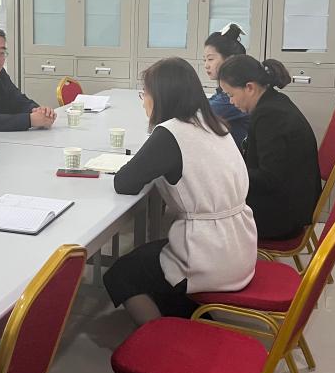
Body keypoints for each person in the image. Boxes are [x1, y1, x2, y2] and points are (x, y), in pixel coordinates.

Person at [104, 58, 257, 327]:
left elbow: (125, 183)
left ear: (161, 97)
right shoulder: (214, 123)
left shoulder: (170, 133)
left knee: (121, 273)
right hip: (240, 244)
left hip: (210, 255)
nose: (143, 102)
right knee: (151, 258)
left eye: (145, 94)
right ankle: (190, 317)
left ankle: (161, 337)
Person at [218, 55, 321, 241]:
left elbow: (269, 178)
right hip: (290, 200)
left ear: (250, 87)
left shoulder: (270, 116)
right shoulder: (274, 101)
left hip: (283, 215)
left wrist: (231, 171)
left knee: (214, 211)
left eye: (231, 95)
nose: (231, 102)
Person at [202, 23, 250, 148]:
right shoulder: (224, 93)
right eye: (204, 60)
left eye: (210, 59)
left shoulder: (234, 97)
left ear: (230, 60)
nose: (206, 65)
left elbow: (199, 115)